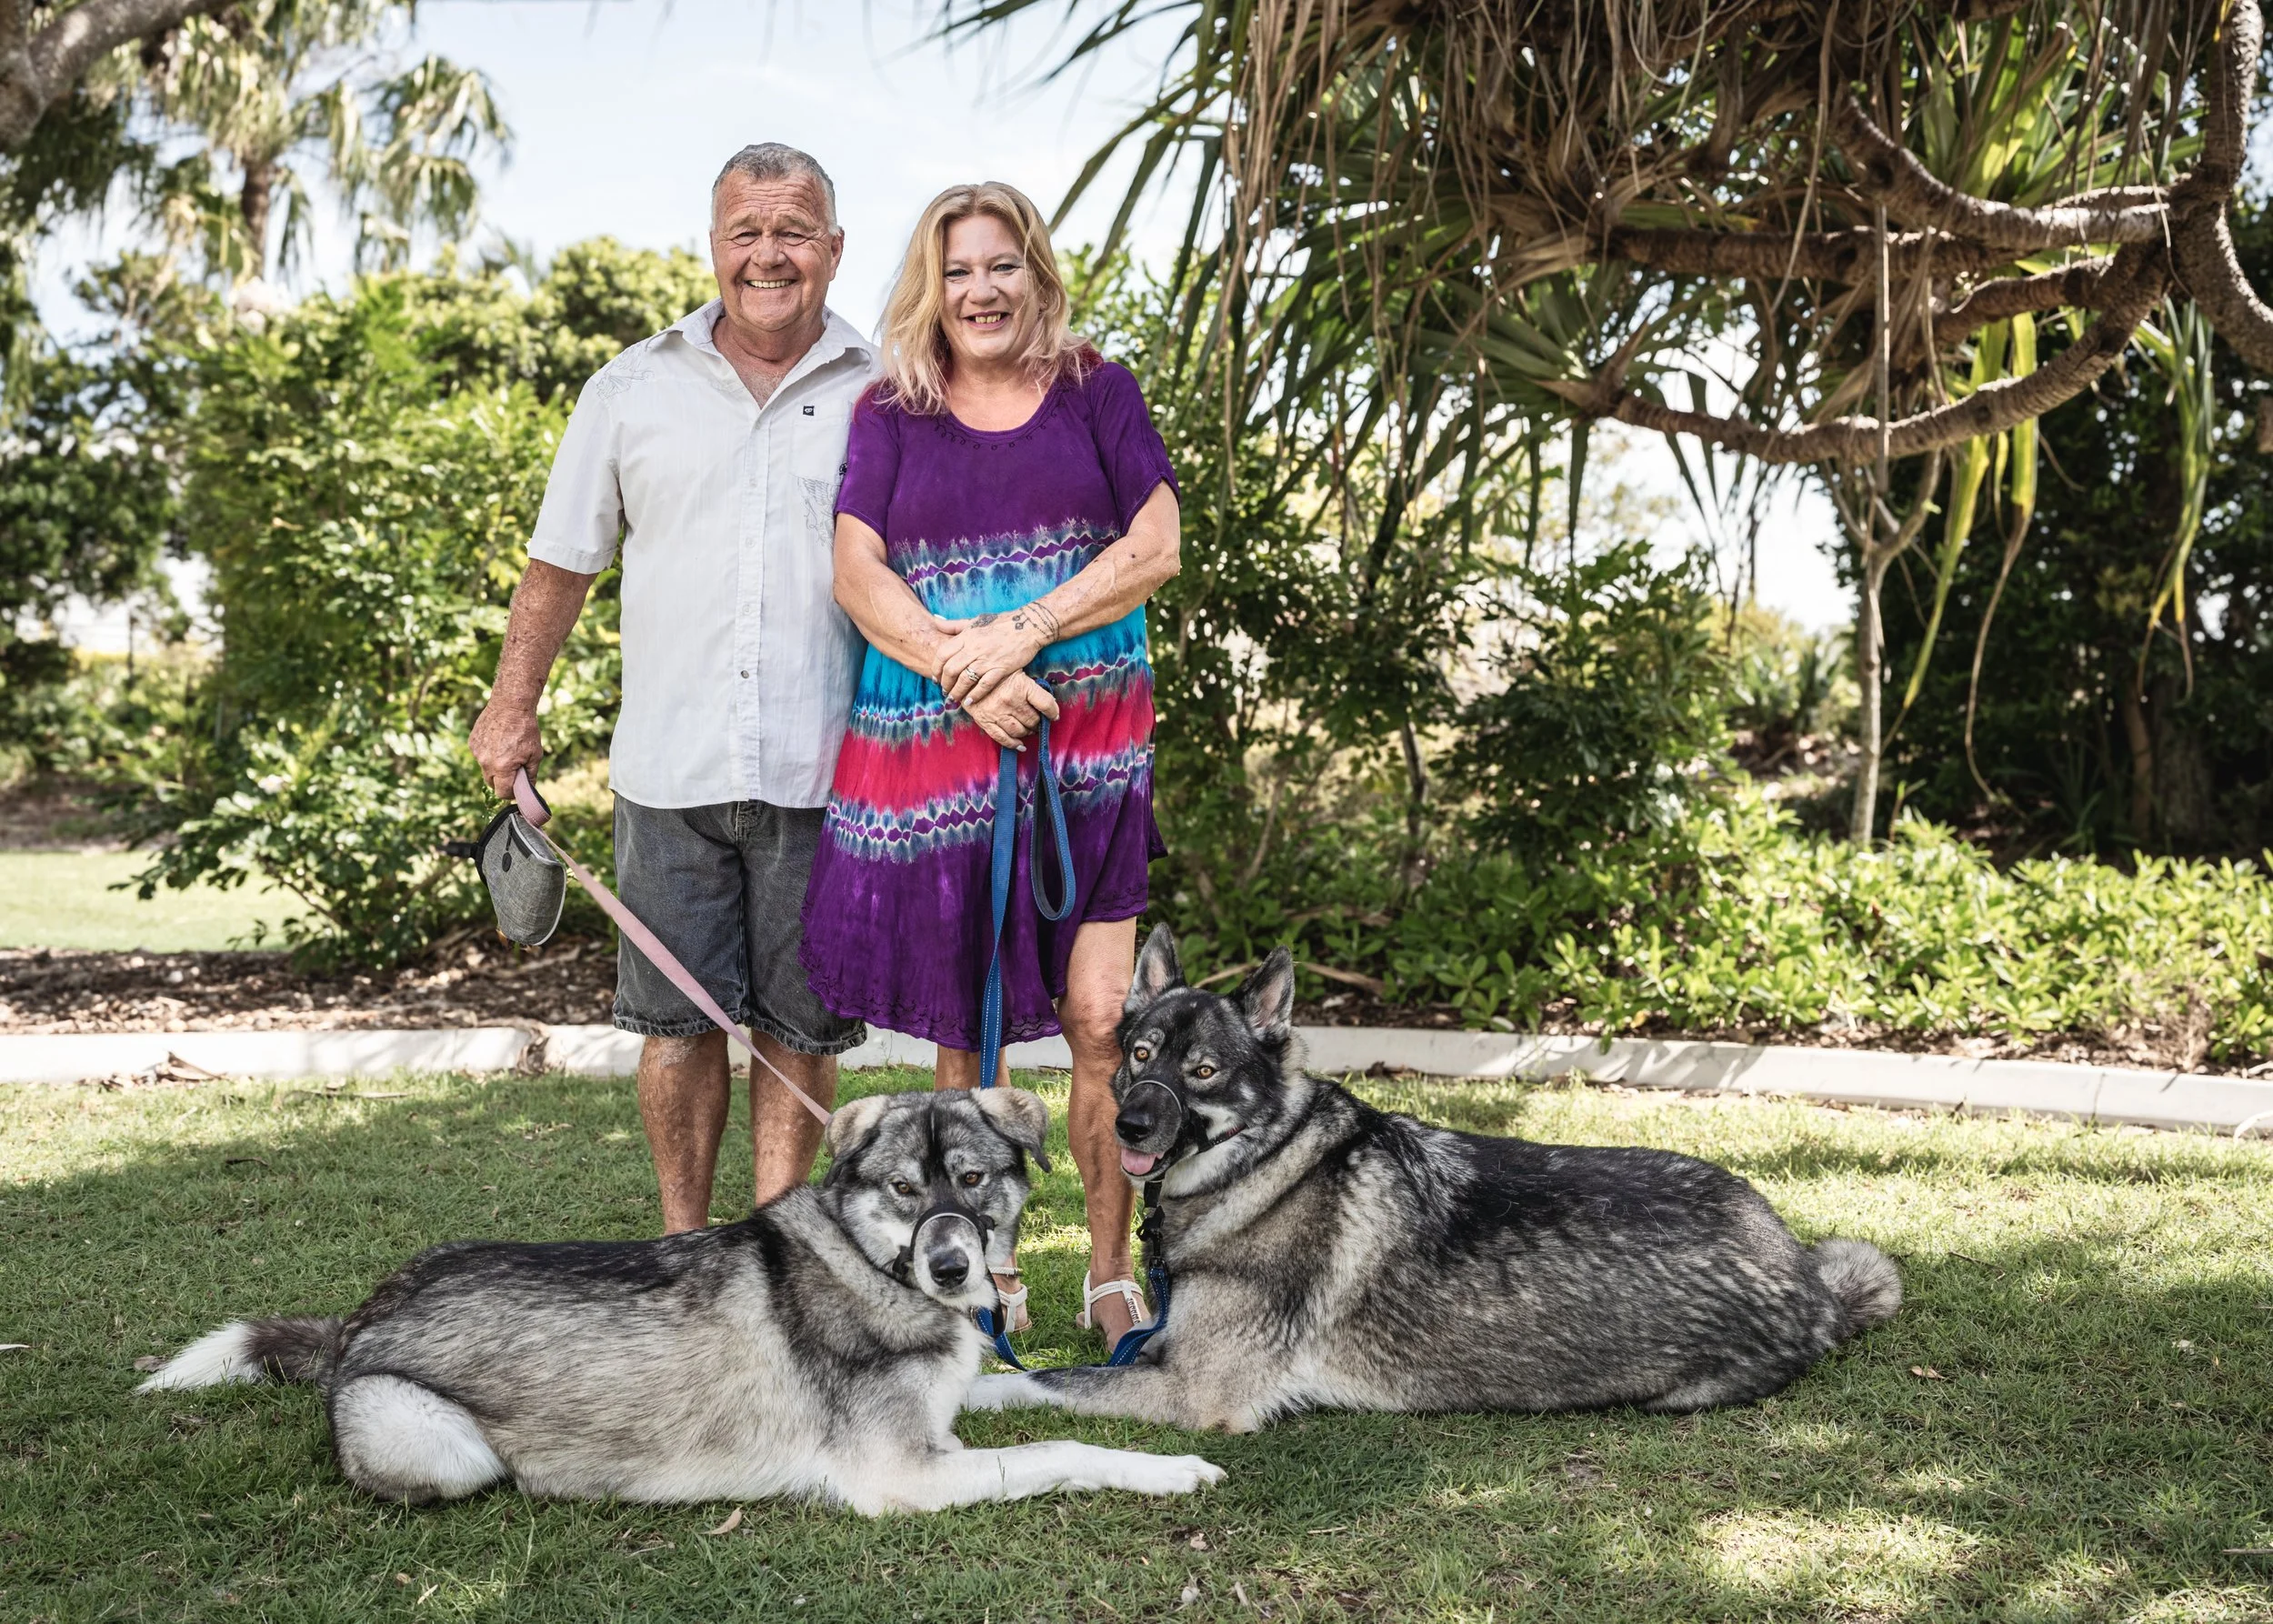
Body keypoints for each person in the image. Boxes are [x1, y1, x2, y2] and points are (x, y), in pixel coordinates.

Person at [468, 144, 878, 1233]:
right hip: (670, 766)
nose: (768, 254)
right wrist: (513, 706)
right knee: (676, 1026)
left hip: (825, 765)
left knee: (803, 1029)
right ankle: (685, 1249)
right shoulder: (631, 385)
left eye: (792, 231)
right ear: (713, 247)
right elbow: (561, 562)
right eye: (745, 232)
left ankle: (782, 1254)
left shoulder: (885, 391)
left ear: (833, 250)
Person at [800, 182, 1181, 1351]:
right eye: (958, 270)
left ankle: (1109, 1273)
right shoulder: (891, 412)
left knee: (1100, 1016)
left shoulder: (1095, 391)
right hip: (941, 763)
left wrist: (1025, 632)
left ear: (1036, 272)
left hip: (1091, 752)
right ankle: (986, 1274)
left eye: (1001, 265)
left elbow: (1154, 544)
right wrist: (971, 672)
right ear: (932, 284)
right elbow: (857, 575)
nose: (981, 290)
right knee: (965, 1037)